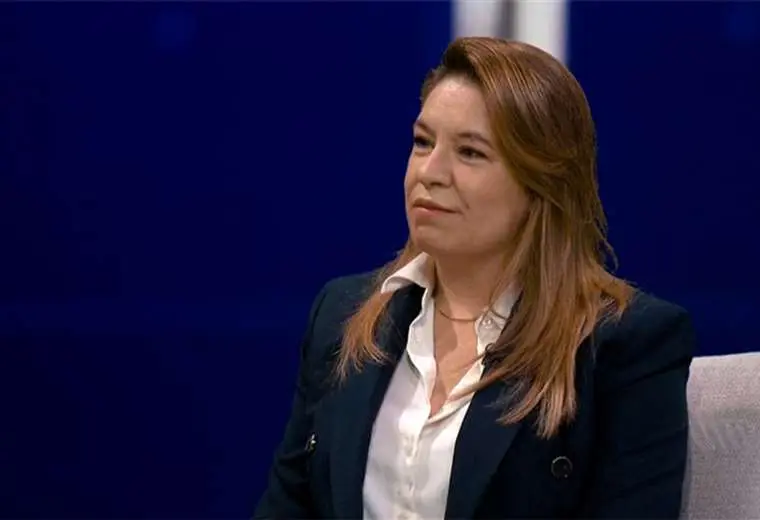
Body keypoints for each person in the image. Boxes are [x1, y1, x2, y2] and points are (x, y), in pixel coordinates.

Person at [253, 37, 695, 520]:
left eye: (470, 153)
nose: (430, 173)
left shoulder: (619, 347)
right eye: (423, 143)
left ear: (540, 183)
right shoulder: (343, 317)